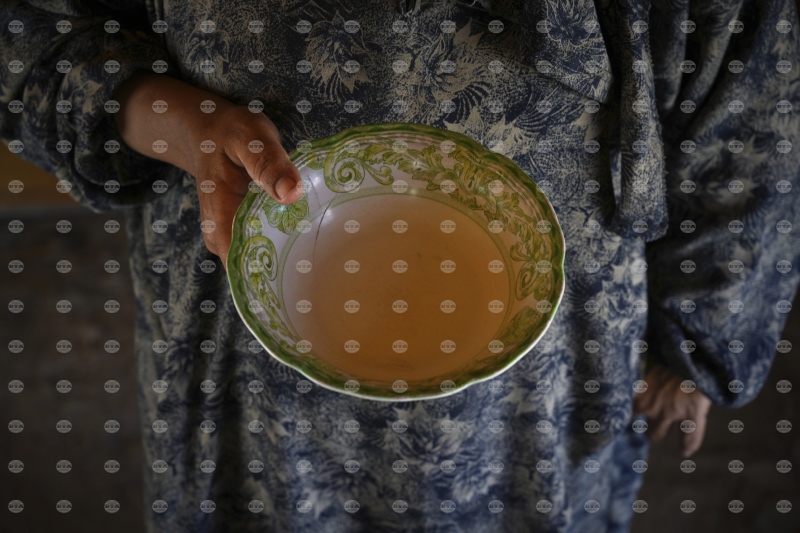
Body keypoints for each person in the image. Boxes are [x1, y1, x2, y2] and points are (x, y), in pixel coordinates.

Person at [2, 0, 798, 531]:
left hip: (553, 341)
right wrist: (171, 116)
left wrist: (705, 332)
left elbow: (753, 81)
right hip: (239, 310)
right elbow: (28, 29)